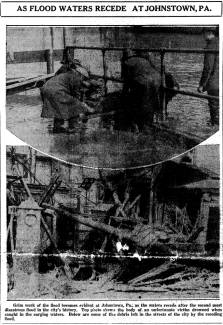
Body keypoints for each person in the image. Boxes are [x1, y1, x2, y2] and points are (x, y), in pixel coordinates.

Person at [121, 49, 179, 131]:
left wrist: (124, 95)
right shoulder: (146, 60)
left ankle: (138, 125)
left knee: (137, 101)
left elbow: (126, 82)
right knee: (152, 102)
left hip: (144, 82)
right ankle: (156, 120)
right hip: (157, 81)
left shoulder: (127, 62)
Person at [40, 62, 94, 133]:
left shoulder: (68, 74)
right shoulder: (76, 78)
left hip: (45, 89)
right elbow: (76, 95)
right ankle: (73, 127)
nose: (83, 79)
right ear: (81, 75)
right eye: (84, 78)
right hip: (56, 91)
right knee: (74, 103)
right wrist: (84, 106)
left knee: (57, 107)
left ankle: (57, 127)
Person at [197, 27, 219, 126]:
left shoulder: (211, 46)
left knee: (214, 104)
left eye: (204, 34)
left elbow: (208, 68)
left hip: (214, 82)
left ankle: (214, 125)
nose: (203, 36)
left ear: (209, 33)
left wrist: (202, 85)